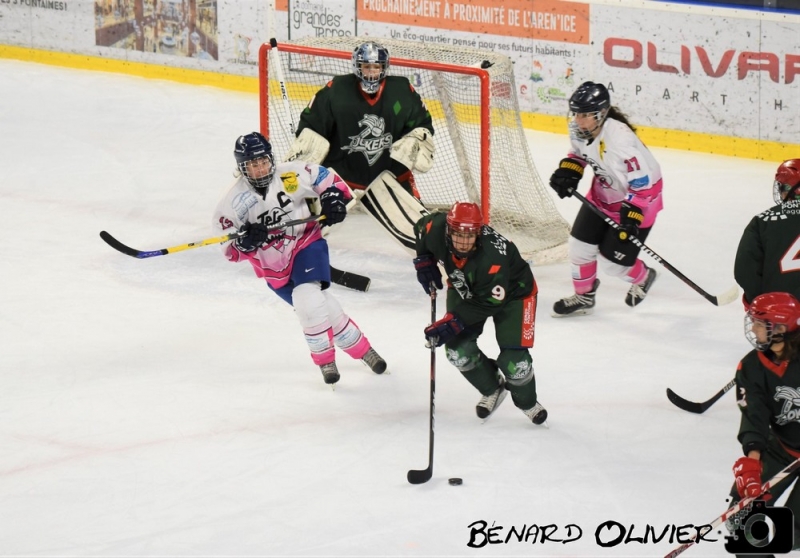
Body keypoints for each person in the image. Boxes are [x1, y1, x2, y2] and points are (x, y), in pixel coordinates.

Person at [212, 132, 386, 386]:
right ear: (242, 167)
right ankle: (364, 351)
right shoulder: (232, 201)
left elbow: (326, 179)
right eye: (253, 164)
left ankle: (325, 361)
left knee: (306, 297)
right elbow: (230, 249)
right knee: (317, 307)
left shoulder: (290, 174)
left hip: (306, 243)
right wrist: (246, 242)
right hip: (273, 269)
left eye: (264, 161)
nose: (261, 168)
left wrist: (332, 198)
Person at [284, 40, 434, 251]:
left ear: (384, 67)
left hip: (390, 177)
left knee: (422, 235)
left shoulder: (402, 91)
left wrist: (417, 138)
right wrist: (308, 140)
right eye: (366, 66)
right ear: (357, 66)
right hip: (340, 177)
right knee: (298, 229)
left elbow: (422, 124)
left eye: (376, 66)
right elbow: (312, 124)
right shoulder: (337, 91)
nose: (371, 72)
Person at [412, 202, 547, 425]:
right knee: (457, 351)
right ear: (448, 230)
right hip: (466, 284)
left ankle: (527, 402)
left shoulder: (492, 258)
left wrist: (453, 322)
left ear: (479, 233)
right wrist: (423, 259)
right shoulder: (436, 227)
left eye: (470, 236)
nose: (463, 242)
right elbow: (420, 227)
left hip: (515, 294)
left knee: (515, 362)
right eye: (458, 234)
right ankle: (493, 388)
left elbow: (490, 302)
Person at [548, 81, 663, 317]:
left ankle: (644, 276)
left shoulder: (620, 140)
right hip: (602, 197)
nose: (578, 120)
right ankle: (584, 296)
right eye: (576, 113)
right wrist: (569, 172)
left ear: (600, 114)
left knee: (613, 265)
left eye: (584, 115)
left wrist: (632, 215)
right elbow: (578, 154)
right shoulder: (580, 130)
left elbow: (644, 182)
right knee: (578, 247)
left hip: (639, 204)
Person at [727, 292, 800, 556]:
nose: (753, 329)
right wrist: (752, 464)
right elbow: (754, 415)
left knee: (790, 534)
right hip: (781, 447)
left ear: (780, 328)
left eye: (760, 323)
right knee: (741, 520)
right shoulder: (752, 366)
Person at [734, 159, 800, 309]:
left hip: (778, 312)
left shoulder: (762, 220)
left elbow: (745, 271)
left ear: (793, 189)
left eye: (783, 187)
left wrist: (759, 303)